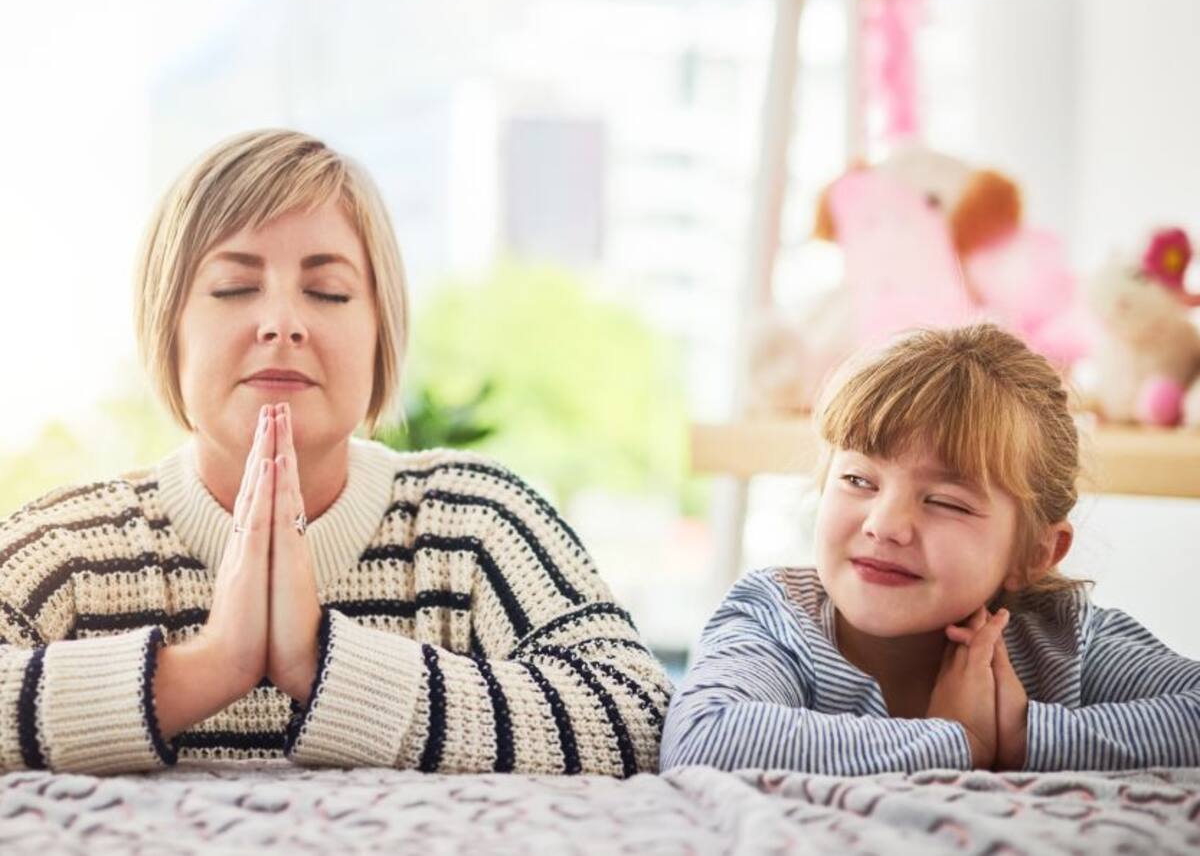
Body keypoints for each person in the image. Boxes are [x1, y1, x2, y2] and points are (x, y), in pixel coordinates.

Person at [0, 129, 670, 776]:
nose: (283, 322)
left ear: (382, 334)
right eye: (235, 287)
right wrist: (205, 669)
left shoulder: (475, 524)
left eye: (328, 293)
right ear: (166, 328)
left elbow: (639, 715)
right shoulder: (71, 550)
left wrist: (323, 666)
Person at [661, 324, 1200, 775]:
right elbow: (704, 738)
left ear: (1036, 553)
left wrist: (1021, 734)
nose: (886, 524)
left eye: (945, 501)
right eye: (859, 480)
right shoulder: (776, 620)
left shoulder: (1063, 640)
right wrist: (955, 742)